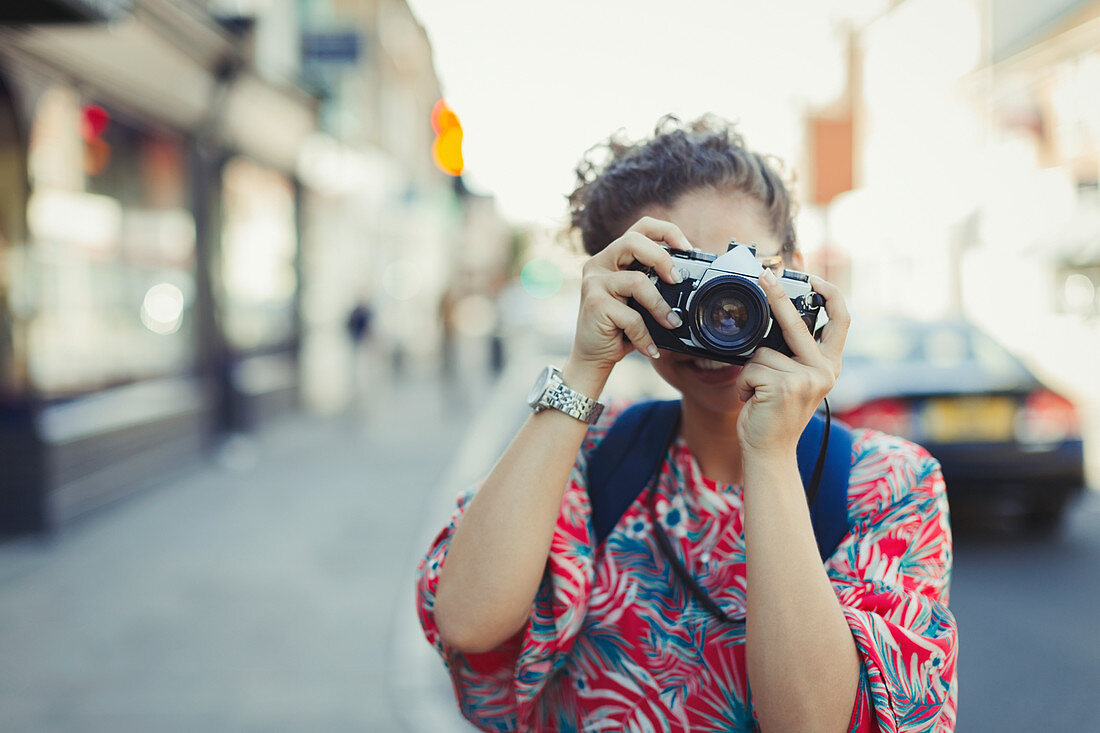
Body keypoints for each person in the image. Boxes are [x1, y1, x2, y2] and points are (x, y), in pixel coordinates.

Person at [415, 116, 957, 732]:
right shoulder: (588, 452)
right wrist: (585, 368)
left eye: (741, 273)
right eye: (675, 282)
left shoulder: (889, 483)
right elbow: (467, 620)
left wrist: (773, 453)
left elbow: (811, 724)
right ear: (617, 292)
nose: (718, 314)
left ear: (797, 271)